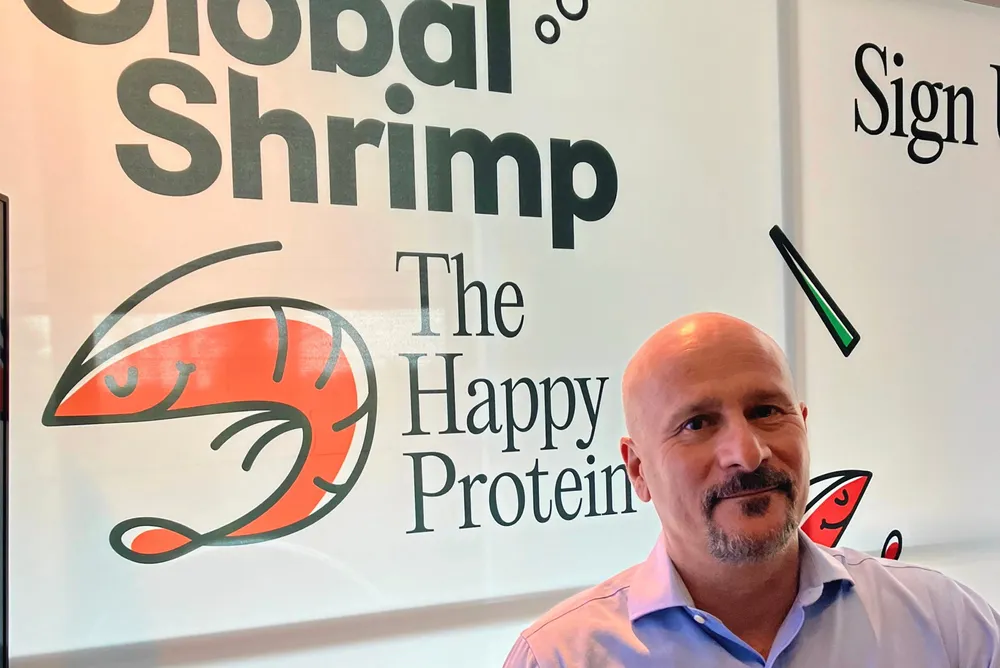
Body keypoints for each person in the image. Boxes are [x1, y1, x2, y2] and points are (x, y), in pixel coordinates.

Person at [502, 312, 1000, 666]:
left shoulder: (945, 625)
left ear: (803, 424)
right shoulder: (561, 657)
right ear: (638, 470)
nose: (748, 452)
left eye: (766, 411)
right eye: (697, 424)